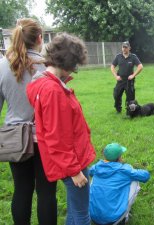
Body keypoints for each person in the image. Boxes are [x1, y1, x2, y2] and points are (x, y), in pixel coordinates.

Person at [26, 33, 96, 225]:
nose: (74, 70)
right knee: (82, 215)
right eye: (75, 66)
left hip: (69, 160)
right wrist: (74, 171)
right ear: (67, 62)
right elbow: (56, 137)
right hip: (72, 163)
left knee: (75, 210)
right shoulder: (53, 90)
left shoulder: (42, 82)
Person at [0, 18, 57, 225]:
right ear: (40, 38)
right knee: (47, 192)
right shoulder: (49, 68)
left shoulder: (2, 66)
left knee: (21, 190)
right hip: (46, 139)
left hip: (15, 139)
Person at [89, 143, 150, 225]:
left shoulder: (96, 167)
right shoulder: (124, 169)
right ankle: (124, 217)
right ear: (119, 157)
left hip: (93, 217)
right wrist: (132, 169)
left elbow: (90, 172)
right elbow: (145, 176)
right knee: (135, 180)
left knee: (94, 179)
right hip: (112, 220)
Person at [111, 41, 143, 113]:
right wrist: (116, 76)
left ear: (129, 48)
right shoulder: (118, 56)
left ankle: (129, 111)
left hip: (129, 81)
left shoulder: (133, 57)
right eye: (123, 47)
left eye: (126, 47)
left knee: (130, 98)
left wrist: (133, 75)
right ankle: (118, 109)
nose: (124, 49)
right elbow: (112, 66)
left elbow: (140, 66)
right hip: (120, 80)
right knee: (116, 95)